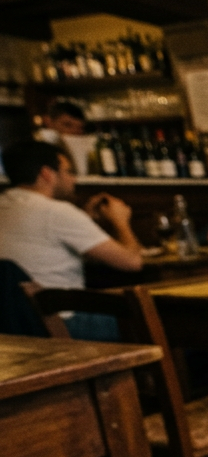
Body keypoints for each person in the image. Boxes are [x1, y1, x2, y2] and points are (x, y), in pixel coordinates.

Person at [0, 140, 142, 340]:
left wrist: (85, 219)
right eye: (68, 171)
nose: (73, 178)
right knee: (159, 321)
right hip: (58, 326)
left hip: (12, 331)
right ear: (47, 174)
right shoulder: (56, 212)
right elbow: (132, 262)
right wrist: (121, 221)